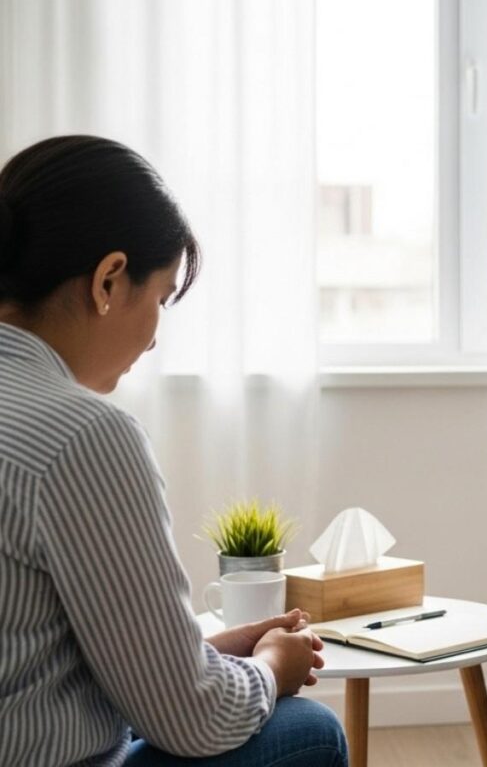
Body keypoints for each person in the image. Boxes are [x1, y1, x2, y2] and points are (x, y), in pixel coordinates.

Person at [0, 136, 347, 767]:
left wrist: (205, 650)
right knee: (310, 730)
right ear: (108, 280)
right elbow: (191, 721)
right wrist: (272, 665)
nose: (155, 338)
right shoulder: (84, 435)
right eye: (160, 299)